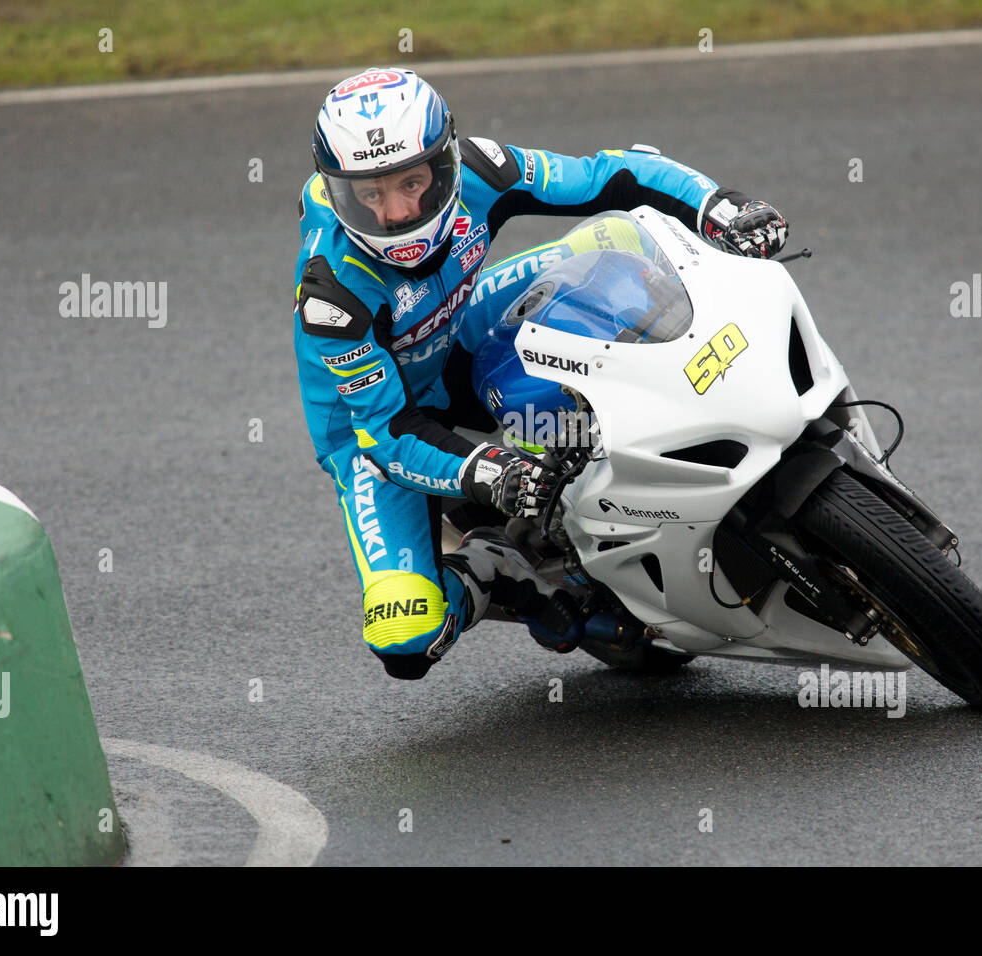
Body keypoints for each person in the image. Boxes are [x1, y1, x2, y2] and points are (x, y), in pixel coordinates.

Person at [293, 66, 789, 680]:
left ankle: (693, 410)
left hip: (455, 333)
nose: (395, 213)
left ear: (444, 162)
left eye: (412, 183)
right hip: (378, 428)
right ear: (336, 189)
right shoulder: (332, 294)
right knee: (405, 637)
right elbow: (386, 432)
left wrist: (717, 203)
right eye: (369, 195)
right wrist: (482, 471)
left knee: (619, 235)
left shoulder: (481, 169)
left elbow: (609, 175)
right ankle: (497, 569)